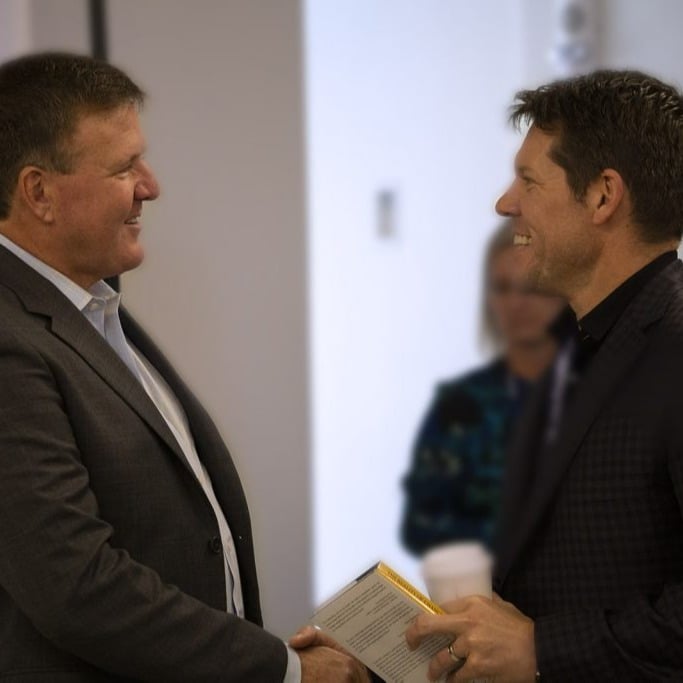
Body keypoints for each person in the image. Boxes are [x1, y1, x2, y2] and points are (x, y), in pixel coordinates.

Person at [0, 51, 370, 682]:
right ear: (39, 193)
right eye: (124, 168)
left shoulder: (93, 307)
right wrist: (285, 671)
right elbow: (76, 585)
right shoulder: (11, 340)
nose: (150, 186)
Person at [404, 69, 683, 682]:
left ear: (603, 197)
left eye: (529, 181)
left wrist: (542, 648)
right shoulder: (582, 344)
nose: (505, 203)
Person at [400, 220, 565, 555]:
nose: (516, 303)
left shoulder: (597, 392)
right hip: (482, 584)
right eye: (502, 288)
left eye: (532, 287)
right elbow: (420, 526)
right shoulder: (460, 404)